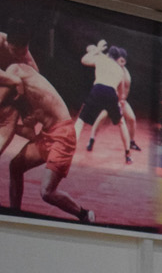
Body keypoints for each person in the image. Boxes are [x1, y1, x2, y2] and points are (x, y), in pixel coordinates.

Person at [0, 63, 94, 223]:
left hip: (63, 136)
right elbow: (30, 133)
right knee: (15, 166)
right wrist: (12, 125)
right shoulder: (18, 99)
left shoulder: (16, 71)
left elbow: (14, 77)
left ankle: (84, 214)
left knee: (47, 193)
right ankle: (15, 214)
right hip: (46, 134)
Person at [74, 40, 132, 164]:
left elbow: (84, 60)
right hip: (111, 93)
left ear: (108, 54)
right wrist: (119, 102)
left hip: (98, 89)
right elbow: (121, 92)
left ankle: (70, 147)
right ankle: (128, 154)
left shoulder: (101, 59)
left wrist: (98, 49)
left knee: (80, 121)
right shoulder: (120, 70)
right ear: (117, 58)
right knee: (121, 122)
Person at [85, 46, 142, 158]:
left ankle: (131, 142)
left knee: (131, 118)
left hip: (121, 100)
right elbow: (90, 49)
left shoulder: (125, 74)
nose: (120, 62)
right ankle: (91, 139)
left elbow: (125, 91)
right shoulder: (111, 67)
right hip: (111, 99)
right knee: (102, 117)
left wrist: (121, 101)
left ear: (124, 61)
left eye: (122, 61)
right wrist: (97, 49)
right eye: (119, 60)